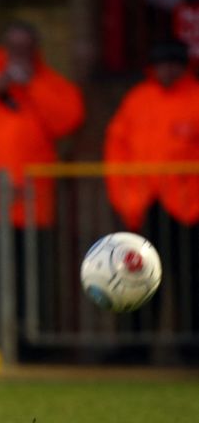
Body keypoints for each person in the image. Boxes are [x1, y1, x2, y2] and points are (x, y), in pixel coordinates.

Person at [0, 21, 84, 343]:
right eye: (14, 47)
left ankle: (30, 343)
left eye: (25, 48)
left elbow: (68, 121)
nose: (19, 54)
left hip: (33, 203)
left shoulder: (50, 83)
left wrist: (31, 87)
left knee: (34, 279)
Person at [104, 40, 199, 341]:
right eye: (161, 65)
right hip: (143, 204)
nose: (167, 70)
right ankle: (134, 343)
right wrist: (124, 198)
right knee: (135, 277)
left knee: (190, 278)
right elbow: (117, 148)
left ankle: (190, 344)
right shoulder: (138, 99)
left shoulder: (194, 97)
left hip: (188, 206)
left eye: (173, 64)